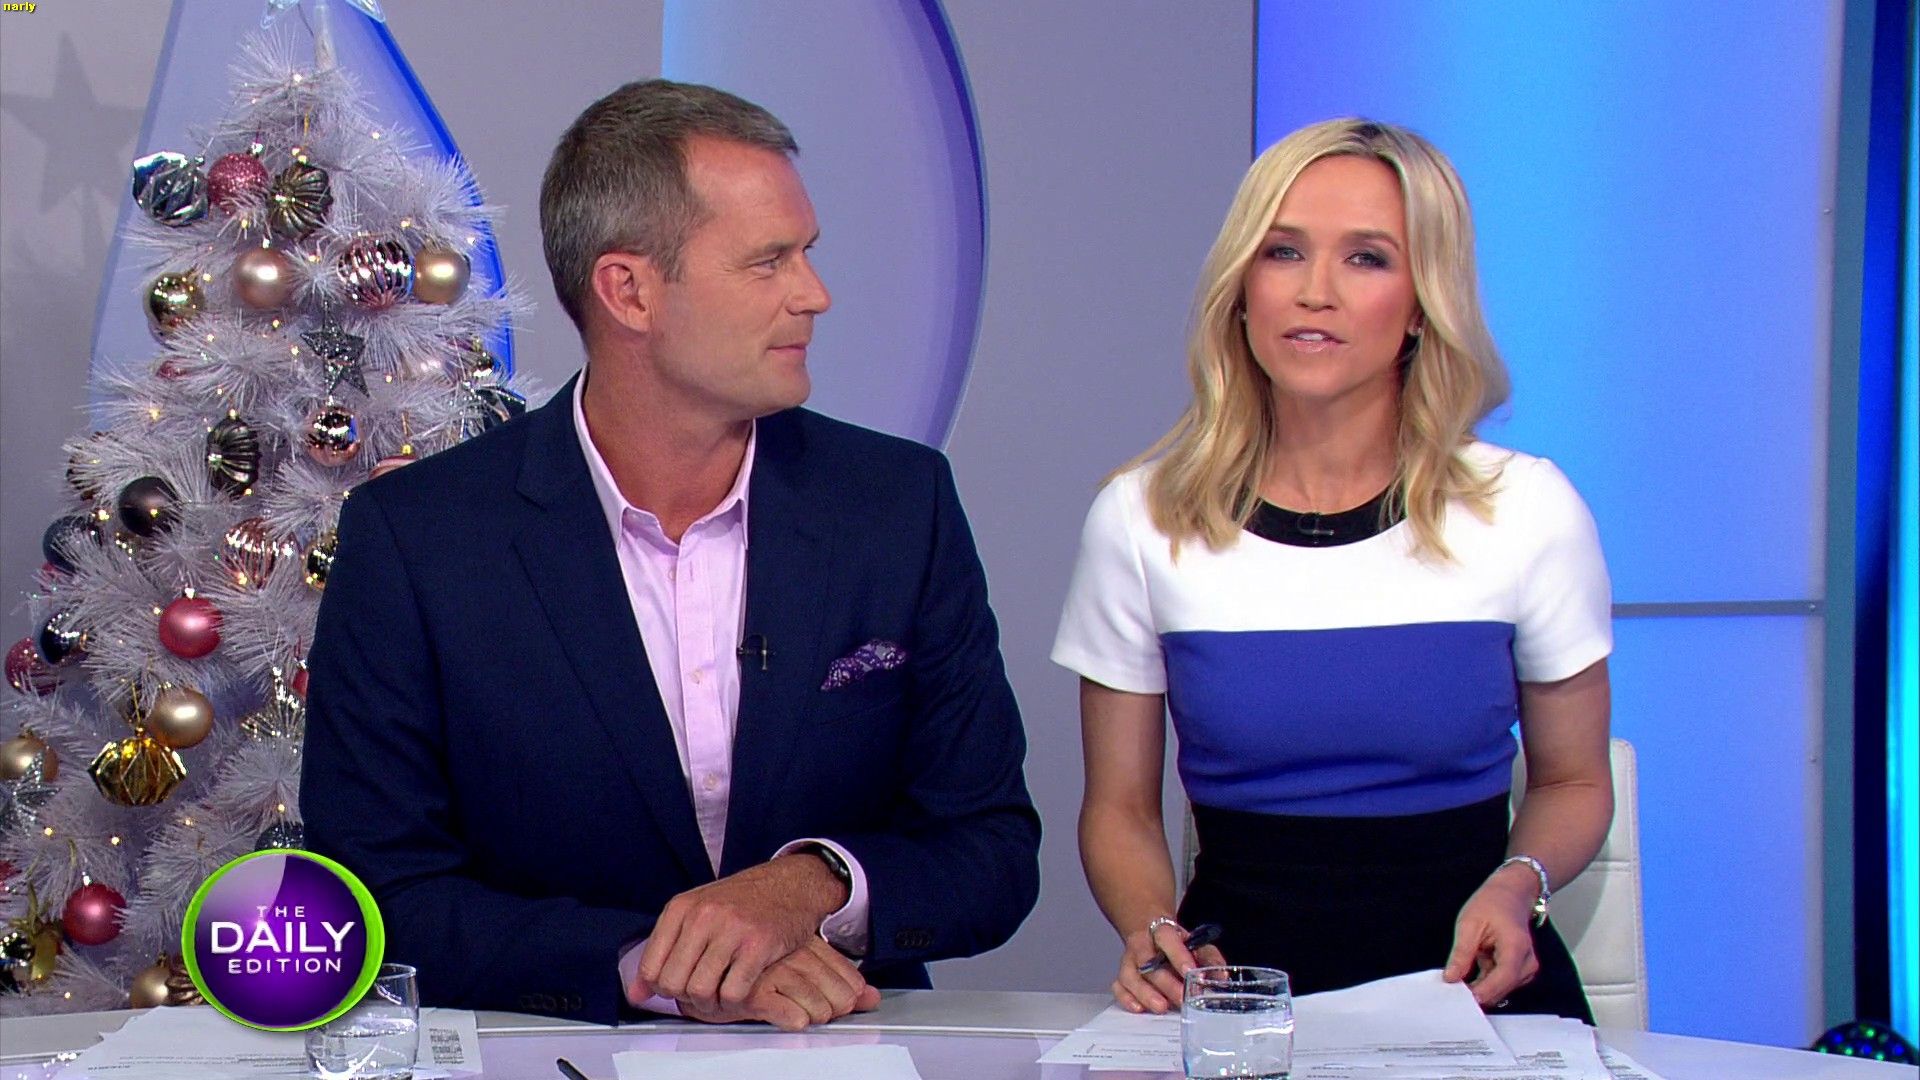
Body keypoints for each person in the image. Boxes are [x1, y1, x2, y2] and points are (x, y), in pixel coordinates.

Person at [301, 79, 1040, 1030]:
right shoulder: (420, 539)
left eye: (807, 253)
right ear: (630, 291)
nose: (815, 295)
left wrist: (814, 885)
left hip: (835, 1045)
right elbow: (377, 892)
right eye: (768, 262)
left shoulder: (898, 505)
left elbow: (990, 849)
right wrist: (651, 968)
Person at [1053, 118, 1612, 1022]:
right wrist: (1152, 928)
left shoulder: (1526, 509)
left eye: (1366, 258)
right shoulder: (1142, 517)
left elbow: (1574, 782)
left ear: (1424, 301)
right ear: (1242, 287)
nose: (1315, 292)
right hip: (1239, 996)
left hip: (1473, 991)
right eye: (1283, 252)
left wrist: (1519, 883)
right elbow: (1120, 810)